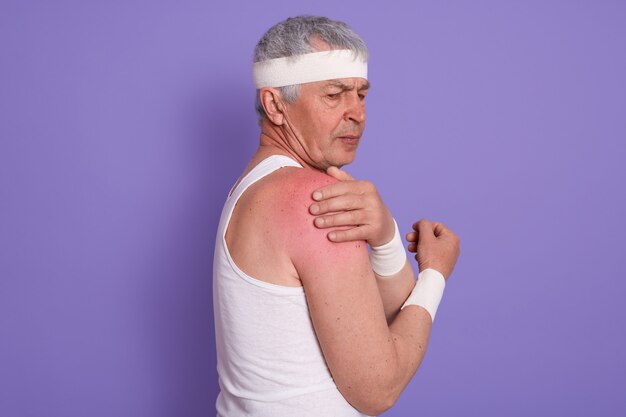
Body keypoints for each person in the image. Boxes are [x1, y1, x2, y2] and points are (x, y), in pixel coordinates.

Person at [212, 16, 460, 417]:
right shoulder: (307, 197)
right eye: (334, 95)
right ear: (275, 104)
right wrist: (435, 273)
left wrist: (384, 236)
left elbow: (388, 322)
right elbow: (379, 388)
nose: (357, 113)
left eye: (361, 94)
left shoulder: (259, 185)